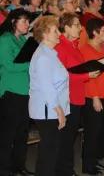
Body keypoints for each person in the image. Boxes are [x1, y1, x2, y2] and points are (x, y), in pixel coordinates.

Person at [54, 13, 99, 176]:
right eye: (77, 25)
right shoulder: (60, 47)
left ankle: (67, 169)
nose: (80, 28)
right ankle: (64, 170)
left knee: (70, 136)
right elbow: (63, 75)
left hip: (77, 96)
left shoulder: (74, 45)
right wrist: (87, 75)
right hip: (67, 97)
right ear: (66, 28)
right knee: (66, 138)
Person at [29, 16, 70, 176]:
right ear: (45, 34)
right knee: (49, 152)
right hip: (48, 111)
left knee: (51, 150)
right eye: (55, 31)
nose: (59, 34)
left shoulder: (50, 54)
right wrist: (59, 111)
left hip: (52, 109)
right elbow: (47, 88)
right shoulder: (43, 57)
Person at [0, 9, 33, 176]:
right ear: (13, 22)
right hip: (11, 92)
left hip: (25, 92)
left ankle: (18, 166)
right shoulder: (5, 40)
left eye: (28, 21)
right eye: (24, 21)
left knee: (22, 133)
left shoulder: (22, 40)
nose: (28, 24)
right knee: (8, 134)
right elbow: (9, 66)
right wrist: (31, 64)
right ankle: (4, 169)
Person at [79, 18, 104, 175]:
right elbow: (88, 78)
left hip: (102, 95)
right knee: (92, 132)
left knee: (99, 131)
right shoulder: (86, 51)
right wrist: (95, 97)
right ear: (95, 32)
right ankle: (88, 166)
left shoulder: (103, 49)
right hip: (93, 97)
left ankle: (94, 161)